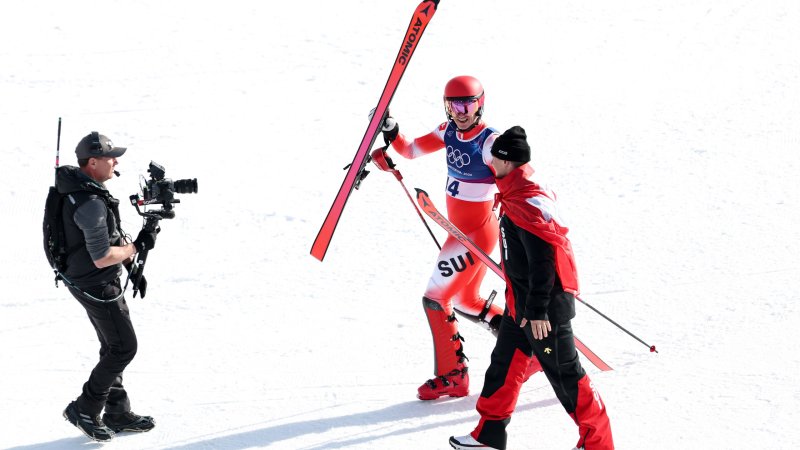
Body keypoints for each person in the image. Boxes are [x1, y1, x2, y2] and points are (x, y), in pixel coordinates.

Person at [375, 76, 542, 400]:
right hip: (461, 230)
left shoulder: (490, 142)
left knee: (435, 297)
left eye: (468, 104)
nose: (462, 111)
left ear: (481, 104)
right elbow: (410, 150)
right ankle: (530, 354)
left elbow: (523, 177)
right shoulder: (447, 131)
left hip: (476, 233)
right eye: (455, 105)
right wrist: (391, 129)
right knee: (466, 300)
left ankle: (453, 375)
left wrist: (521, 211)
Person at [448, 126, 614, 450]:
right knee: (503, 368)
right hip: (520, 306)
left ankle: (598, 443)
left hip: (543, 313)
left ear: (508, 163)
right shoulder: (516, 191)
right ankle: (490, 434)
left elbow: (544, 264)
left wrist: (537, 311)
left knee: (567, 377)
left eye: (494, 157)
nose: (489, 162)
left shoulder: (527, 203)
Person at [58, 132, 158, 442]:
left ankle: (116, 412)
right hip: (97, 284)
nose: (115, 161)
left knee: (111, 346)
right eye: (110, 157)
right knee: (124, 347)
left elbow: (109, 241)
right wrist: (136, 247)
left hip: (89, 279)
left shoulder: (84, 191)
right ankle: (85, 408)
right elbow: (102, 257)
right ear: (92, 162)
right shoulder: (90, 203)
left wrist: (130, 265)